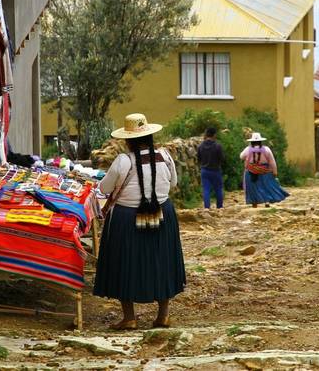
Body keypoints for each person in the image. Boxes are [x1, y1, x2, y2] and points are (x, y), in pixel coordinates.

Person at [94, 113, 186, 330]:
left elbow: (104, 189)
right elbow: (173, 183)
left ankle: (130, 318)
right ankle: (163, 315)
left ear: (127, 140)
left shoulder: (122, 161)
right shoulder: (165, 156)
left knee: (124, 263)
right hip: (162, 213)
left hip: (126, 218)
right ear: (150, 137)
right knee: (162, 261)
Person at [239, 132, 289, 208]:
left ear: (251, 141)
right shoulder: (266, 149)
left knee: (253, 188)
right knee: (265, 186)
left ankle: (254, 203)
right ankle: (267, 201)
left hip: (251, 171)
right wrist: (275, 172)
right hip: (265, 171)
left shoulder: (248, 149)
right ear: (260, 141)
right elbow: (272, 161)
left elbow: (241, 157)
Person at [197, 127, 225, 209]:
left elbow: (199, 159)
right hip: (216, 170)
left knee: (206, 189)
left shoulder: (201, 146)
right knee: (218, 189)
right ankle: (219, 207)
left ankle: (207, 208)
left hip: (205, 170)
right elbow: (222, 158)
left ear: (206, 134)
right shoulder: (218, 146)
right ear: (214, 135)